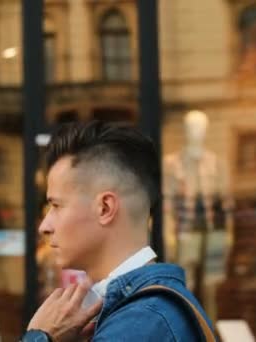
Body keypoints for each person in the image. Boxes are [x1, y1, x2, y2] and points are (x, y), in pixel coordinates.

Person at [21, 121, 215, 341]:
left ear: (105, 208)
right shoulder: (145, 313)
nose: (44, 226)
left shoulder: (141, 323)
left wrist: (39, 337)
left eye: (56, 206)